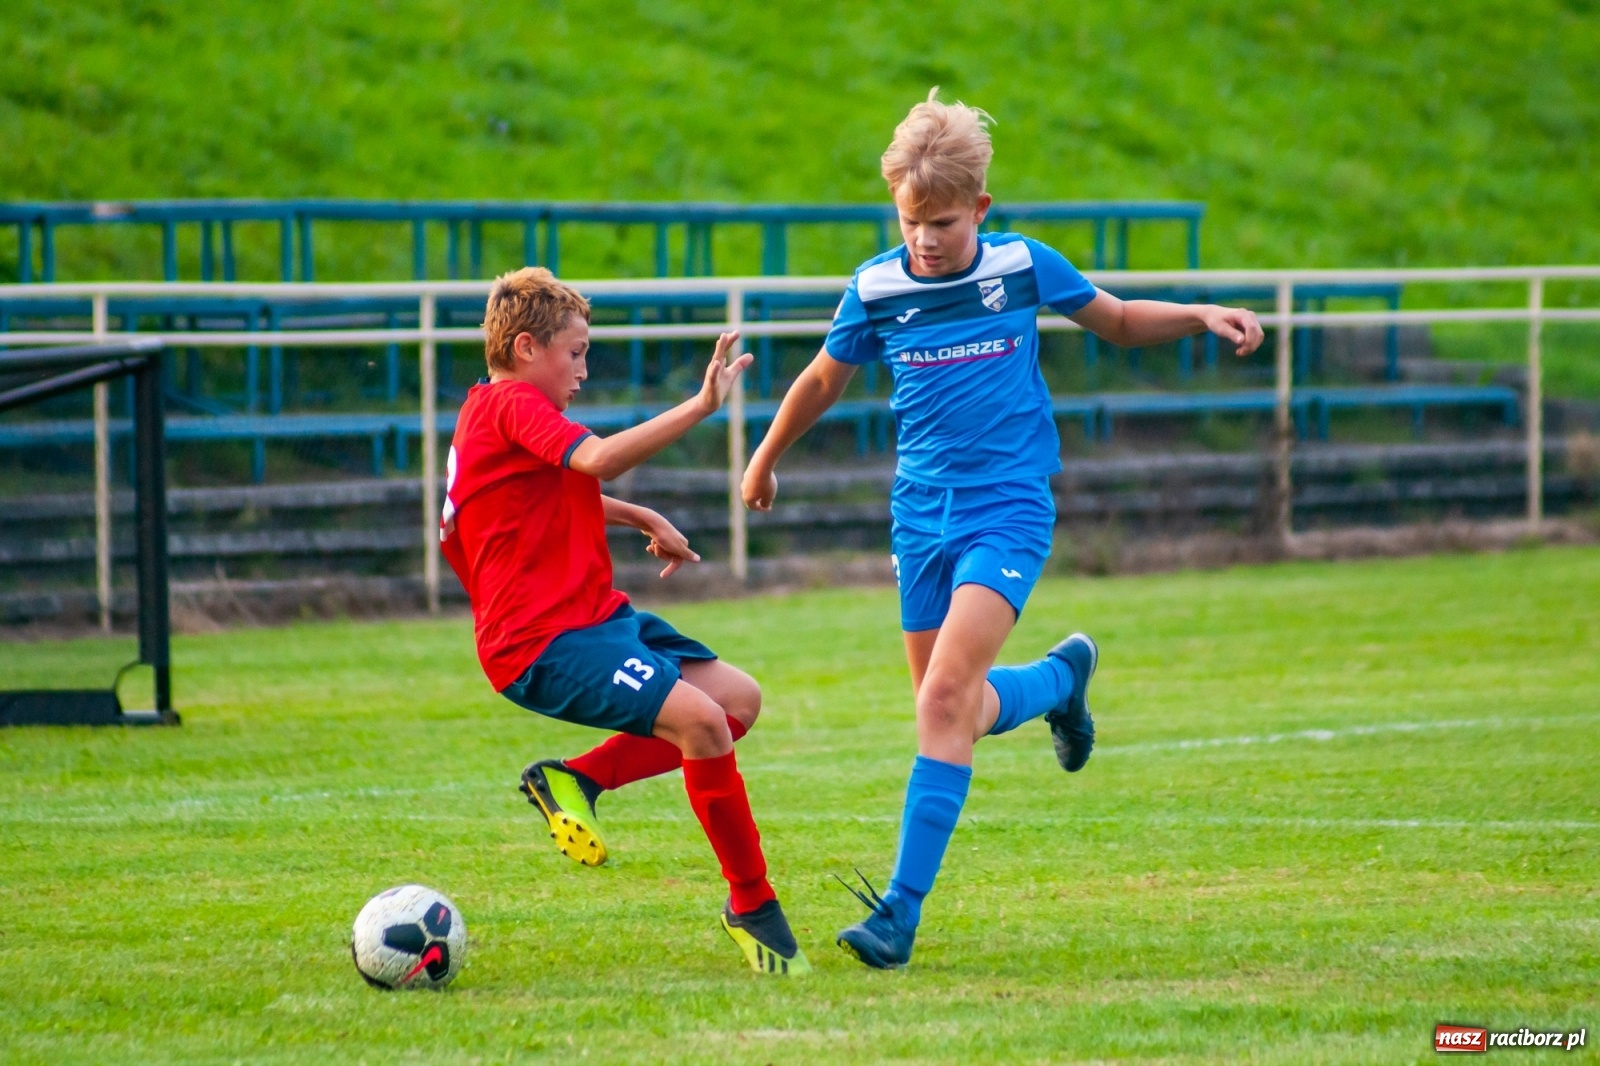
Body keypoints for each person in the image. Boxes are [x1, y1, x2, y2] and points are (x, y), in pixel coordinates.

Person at [741, 90, 1264, 969]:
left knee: (943, 700)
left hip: (1009, 508)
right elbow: (823, 381)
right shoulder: (875, 287)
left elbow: (1121, 321)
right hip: (921, 517)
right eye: (912, 221)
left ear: (980, 208)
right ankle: (1062, 680)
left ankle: (898, 916)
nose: (926, 239)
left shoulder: (1021, 267)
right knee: (956, 708)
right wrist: (762, 458)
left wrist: (1200, 314)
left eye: (943, 221)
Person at [442, 266, 807, 976]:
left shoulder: (490, 410)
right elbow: (600, 459)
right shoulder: (512, 404)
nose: (583, 369)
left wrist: (638, 514)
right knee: (699, 723)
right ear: (524, 349)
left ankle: (575, 781)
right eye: (574, 353)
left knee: (736, 703)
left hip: (596, 619)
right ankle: (752, 904)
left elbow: (537, 495)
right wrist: (702, 404)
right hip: (541, 641)